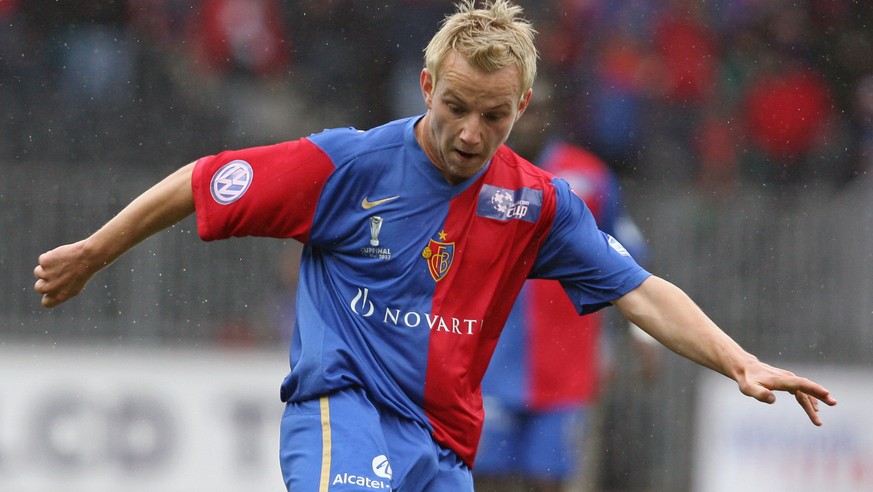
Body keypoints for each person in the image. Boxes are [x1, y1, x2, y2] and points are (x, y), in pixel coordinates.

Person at [33, 1, 836, 491]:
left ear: (521, 105)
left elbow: (640, 289)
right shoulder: (346, 164)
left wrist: (737, 359)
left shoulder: (536, 201)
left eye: (493, 115)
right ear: (426, 87)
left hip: (445, 448)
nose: (469, 132)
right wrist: (94, 252)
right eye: (455, 106)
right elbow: (203, 180)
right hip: (340, 412)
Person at [474, 80, 657, 492]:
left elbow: (624, 255)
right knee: (483, 479)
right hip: (487, 363)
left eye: (539, 111)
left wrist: (642, 331)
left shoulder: (588, 177)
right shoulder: (476, 170)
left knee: (548, 482)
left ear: (551, 116)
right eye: (522, 112)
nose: (529, 121)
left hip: (565, 369)